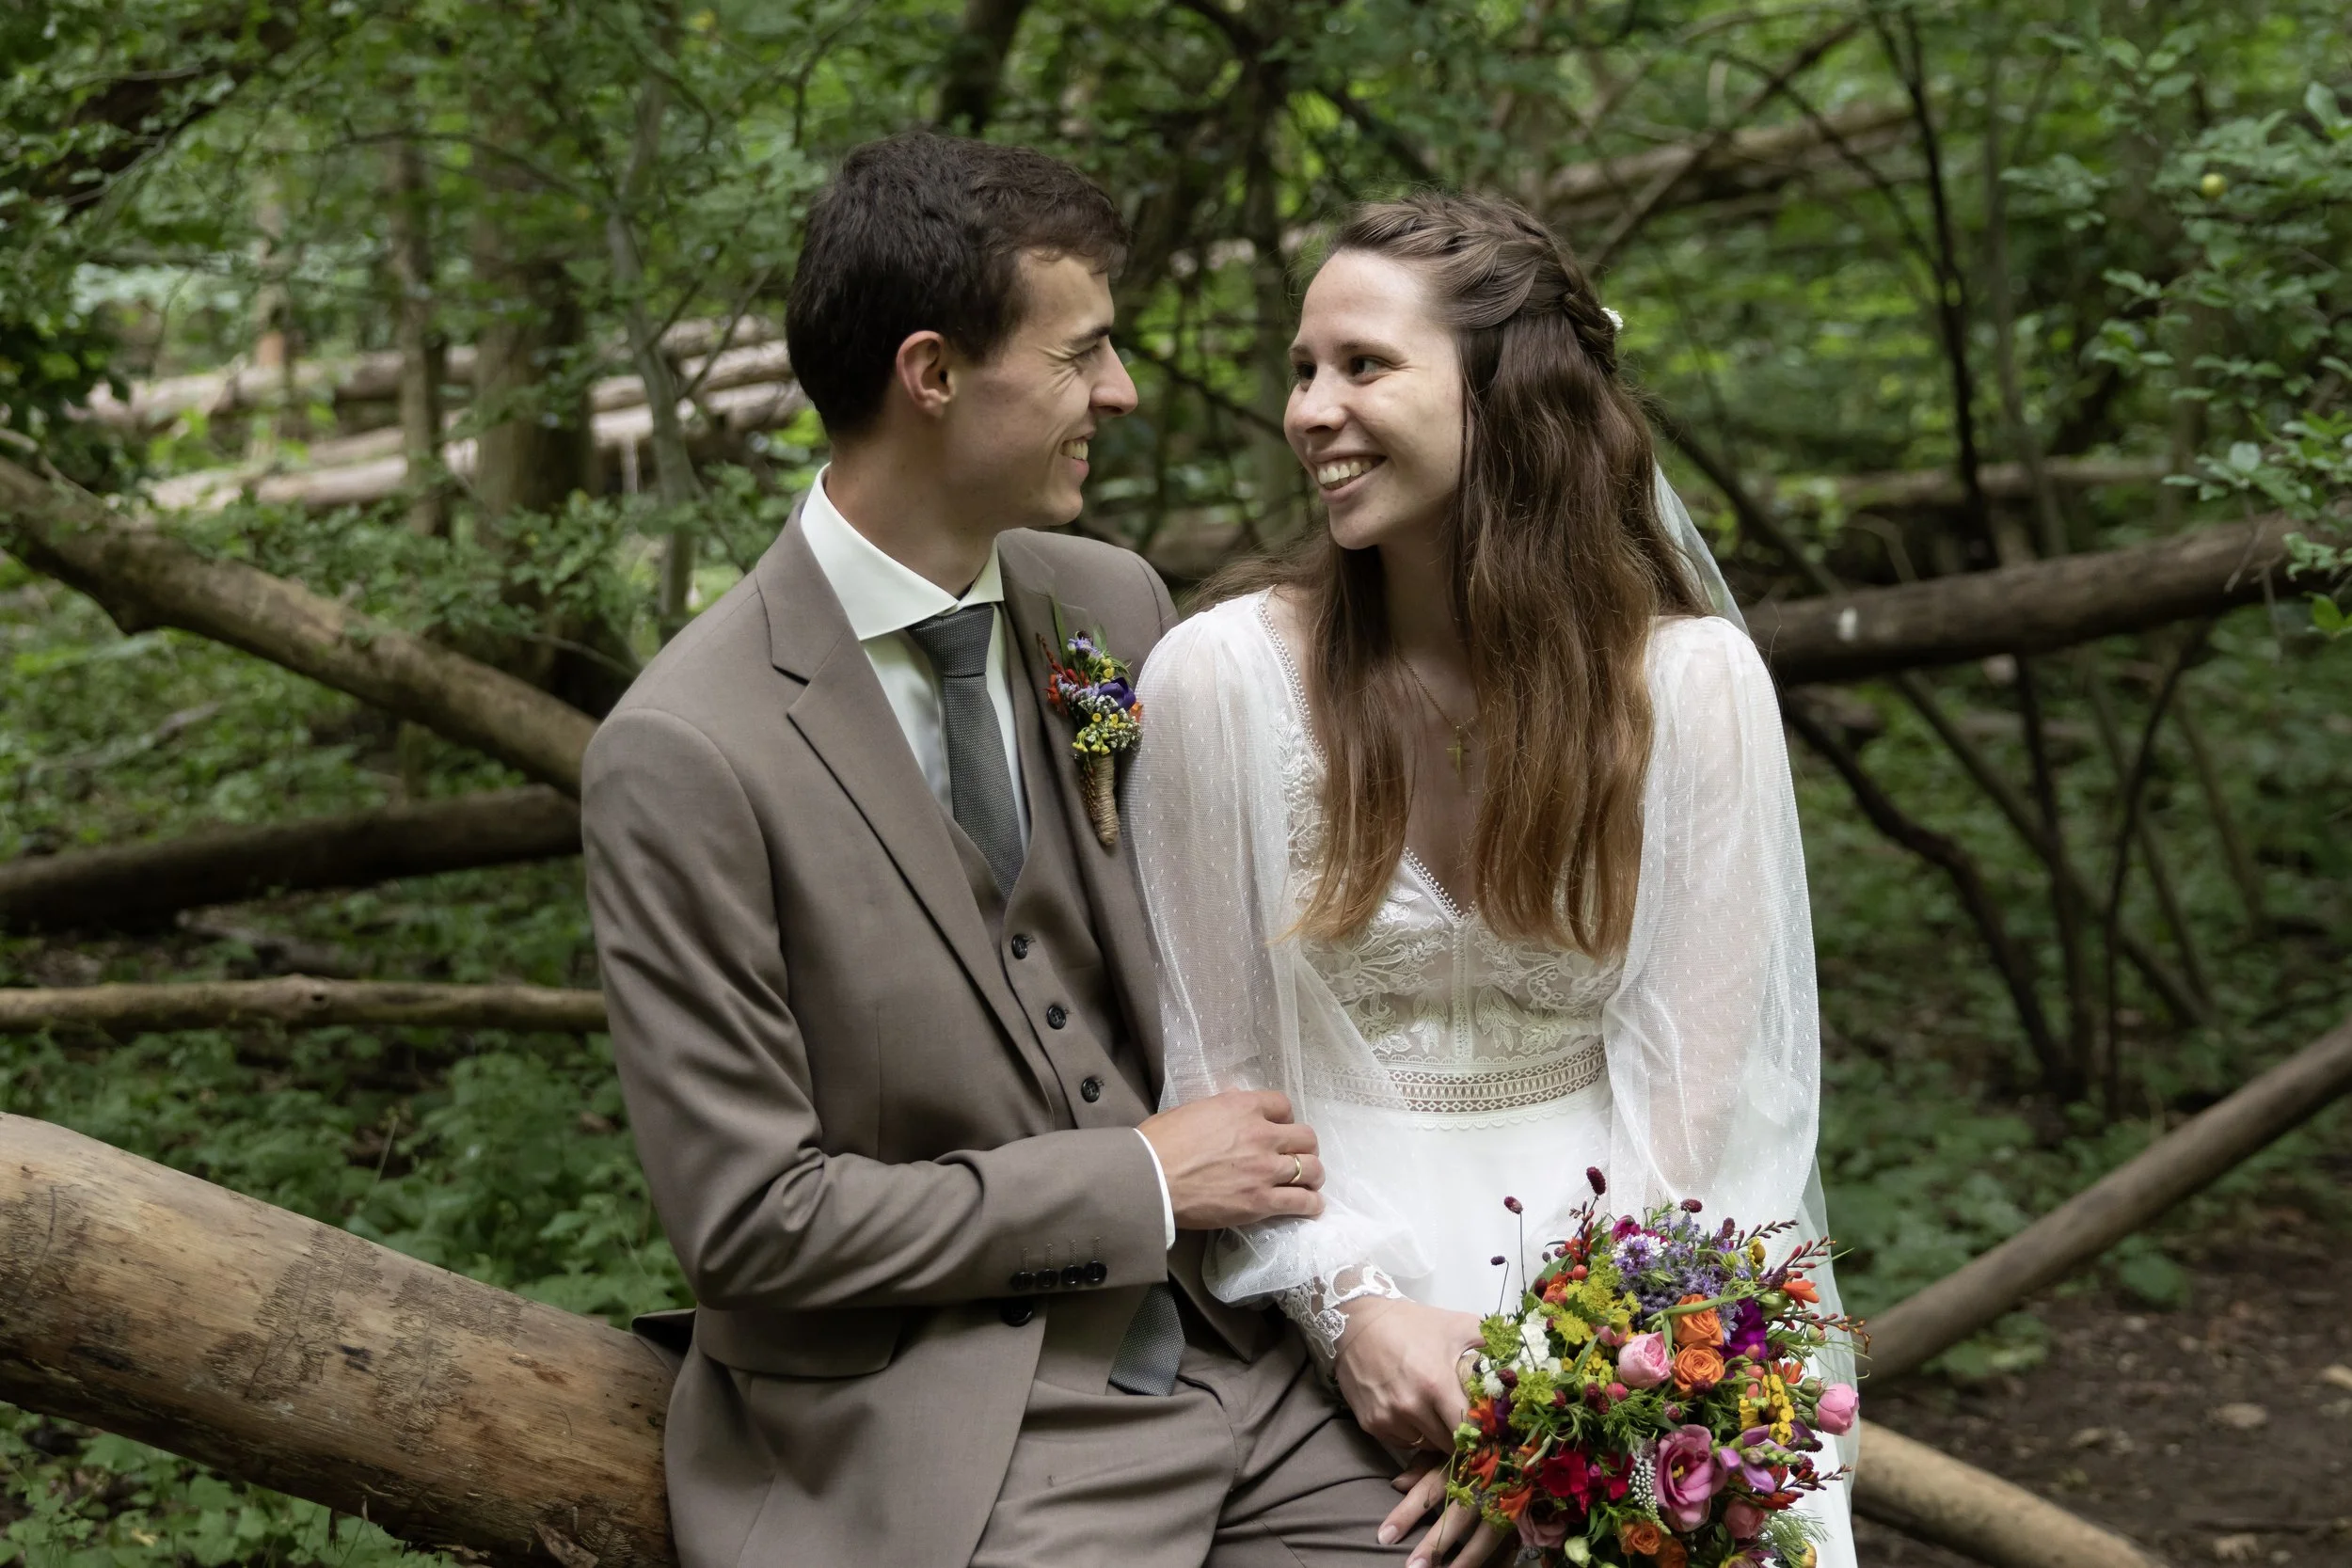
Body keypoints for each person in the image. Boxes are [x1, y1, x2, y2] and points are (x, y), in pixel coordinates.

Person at [580, 130, 1417, 1567]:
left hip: (1245, 1368)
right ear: (933, 374)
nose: (1122, 390)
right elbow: (756, 1223)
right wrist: (1141, 1182)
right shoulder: (684, 751)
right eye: (1082, 351)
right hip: (959, 1424)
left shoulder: (1111, 606)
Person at [1130, 191, 1858, 1568]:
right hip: (1304, 1279)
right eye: (1301, 369)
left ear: (1506, 395)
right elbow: (1210, 1066)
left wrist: (1570, 1403)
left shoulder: (1691, 690)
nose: (1310, 410)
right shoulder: (1215, 682)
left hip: (1622, 1290)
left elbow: (1707, 1106)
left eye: (1363, 365)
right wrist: (1354, 1314)